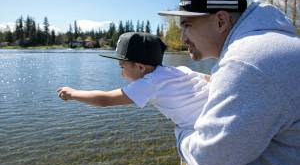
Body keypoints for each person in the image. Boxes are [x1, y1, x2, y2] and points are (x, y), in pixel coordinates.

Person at [159, 0, 300, 165]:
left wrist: (182, 131)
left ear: (221, 21)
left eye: (187, 25)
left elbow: (209, 160)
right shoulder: (273, 44)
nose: (182, 37)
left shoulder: (245, 62)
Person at [57, 32, 209, 130]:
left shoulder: (149, 83)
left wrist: (73, 93)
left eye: (122, 67)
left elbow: (104, 99)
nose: (122, 74)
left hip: (202, 127)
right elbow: (208, 78)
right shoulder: (178, 69)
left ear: (141, 67)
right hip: (215, 113)